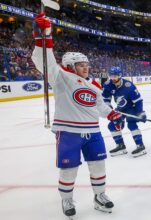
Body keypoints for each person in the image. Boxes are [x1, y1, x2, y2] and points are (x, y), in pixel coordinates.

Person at [31, 13, 121, 218]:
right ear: (71, 66)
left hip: (93, 132)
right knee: (69, 169)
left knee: (98, 165)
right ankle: (67, 200)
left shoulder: (94, 84)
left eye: (86, 64)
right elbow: (43, 61)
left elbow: (100, 106)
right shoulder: (61, 78)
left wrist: (111, 114)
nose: (86, 67)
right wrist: (42, 37)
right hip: (69, 132)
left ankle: (100, 196)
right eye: (81, 64)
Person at [102, 66, 147, 158]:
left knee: (131, 124)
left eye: (115, 76)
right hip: (120, 108)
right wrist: (108, 107)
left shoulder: (129, 86)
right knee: (112, 125)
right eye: (111, 76)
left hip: (131, 107)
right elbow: (106, 98)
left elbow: (138, 101)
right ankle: (121, 146)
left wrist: (140, 112)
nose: (113, 78)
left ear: (120, 75)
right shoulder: (107, 84)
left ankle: (140, 146)